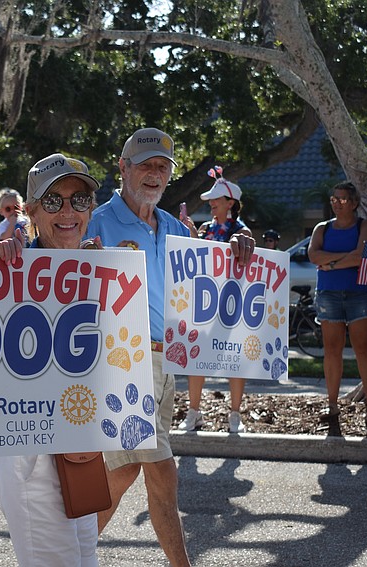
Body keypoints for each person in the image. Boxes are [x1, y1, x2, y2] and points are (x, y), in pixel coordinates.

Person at [86, 127, 255, 567]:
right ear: (123, 168)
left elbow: (209, 279)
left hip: (165, 362)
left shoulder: (178, 228)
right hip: (120, 360)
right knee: (162, 470)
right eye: (146, 165)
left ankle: (69, 554)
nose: (156, 174)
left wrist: (237, 243)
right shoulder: (96, 221)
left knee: (122, 473)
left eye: (163, 167)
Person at [0, 153, 102, 567]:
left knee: (84, 559)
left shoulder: (100, 268)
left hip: (80, 447)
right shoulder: (6, 270)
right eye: (53, 201)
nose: (68, 211)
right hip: (26, 448)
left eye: (79, 200)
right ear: (31, 211)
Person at [179, 166, 251, 434]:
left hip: (233, 305)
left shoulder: (242, 230)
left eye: (216, 200)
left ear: (230, 203)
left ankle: (235, 414)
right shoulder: (207, 227)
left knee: (235, 359)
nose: (210, 204)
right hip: (205, 304)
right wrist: (191, 235)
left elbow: (245, 251)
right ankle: (194, 411)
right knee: (197, 358)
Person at [307, 181, 367, 423]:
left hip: (359, 293)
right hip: (329, 294)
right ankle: (332, 404)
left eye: (342, 199)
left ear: (355, 203)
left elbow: (364, 256)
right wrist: (346, 258)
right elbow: (313, 255)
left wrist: (331, 264)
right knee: (332, 350)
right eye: (333, 199)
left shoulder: (366, 226)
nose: (336, 203)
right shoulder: (322, 228)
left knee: (363, 348)